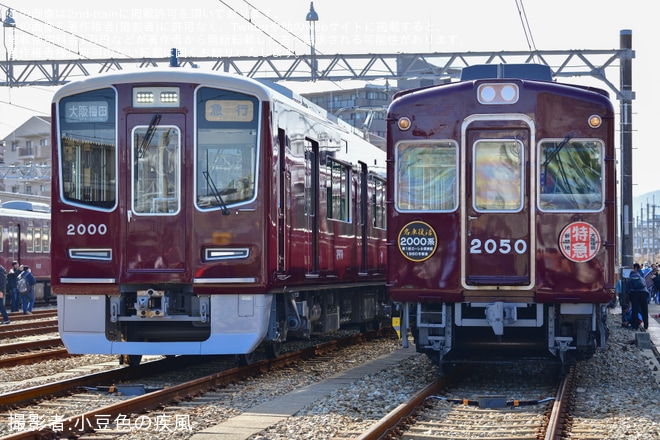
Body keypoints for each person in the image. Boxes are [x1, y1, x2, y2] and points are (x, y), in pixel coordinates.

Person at [628, 263, 649, 331]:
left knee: (635, 310)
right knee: (644, 310)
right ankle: (646, 325)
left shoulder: (630, 279)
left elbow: (627, 290)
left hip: (635, 294)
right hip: (644, 294)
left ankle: (635, 325)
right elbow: (645, 286)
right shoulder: (641, 277)